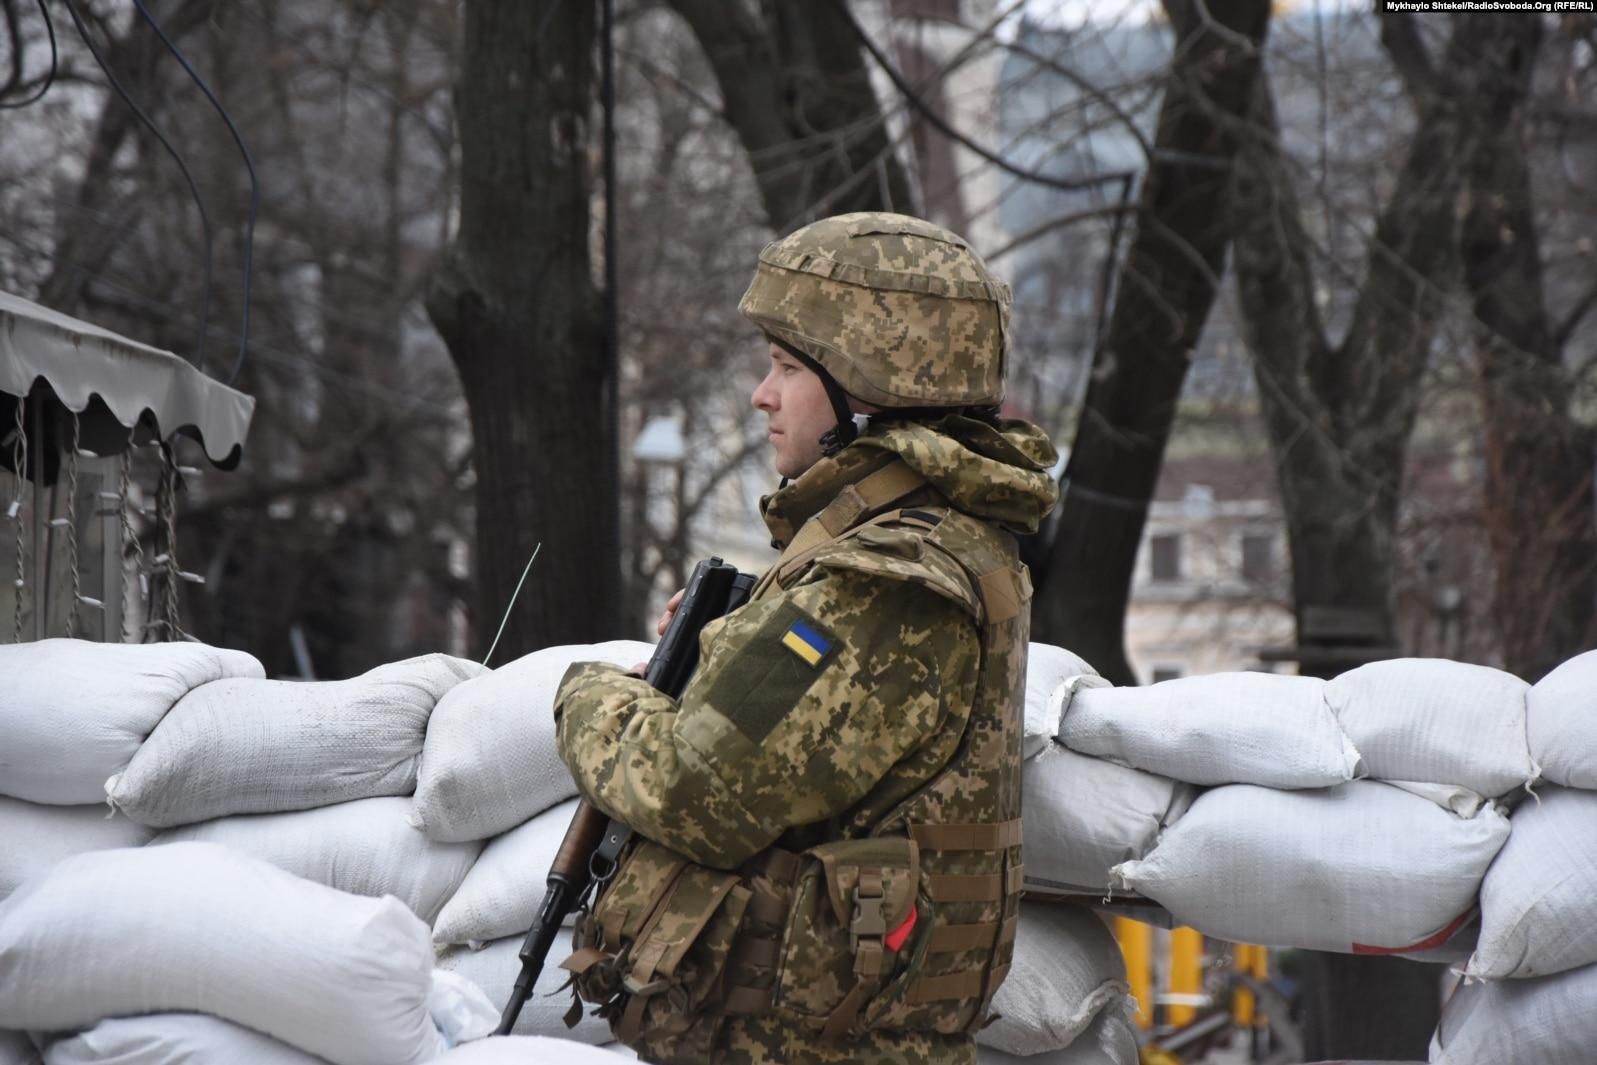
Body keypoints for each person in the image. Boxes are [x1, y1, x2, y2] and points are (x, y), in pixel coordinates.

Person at [553, 212, 1059, 1065]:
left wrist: (585, 693)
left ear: (867, 389)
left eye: (788, 367)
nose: (762, 393)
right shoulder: (926, 542)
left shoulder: (886, 579)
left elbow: (690, 787)